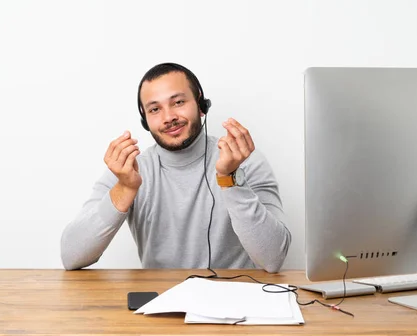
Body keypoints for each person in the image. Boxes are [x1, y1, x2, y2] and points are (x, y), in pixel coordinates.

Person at [60, 62, 291, 273]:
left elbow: (273, 258)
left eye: (178, 102)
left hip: (236, 304)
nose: (168, 117)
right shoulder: (130, 171)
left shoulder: (244, 160)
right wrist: (125, 189)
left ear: (201, 105)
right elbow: (71, 256)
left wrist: (229, 179)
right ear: (145, 120)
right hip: (162, 305)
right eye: (154, 109)